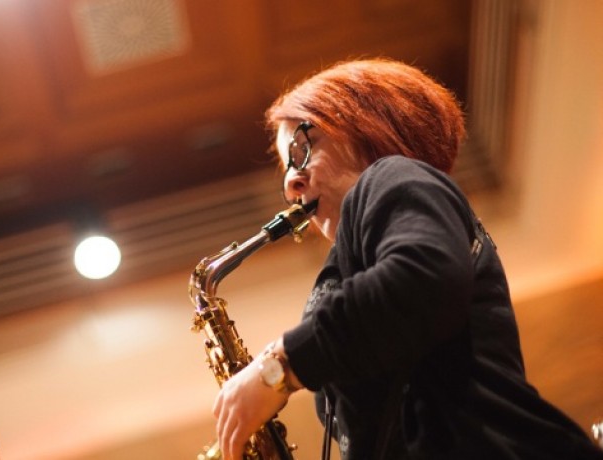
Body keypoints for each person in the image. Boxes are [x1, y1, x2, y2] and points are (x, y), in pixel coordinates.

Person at [212, 58, 602, 460]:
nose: (291, 185)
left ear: (362, 120)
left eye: (300, 150)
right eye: (285, 170)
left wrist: (279, 368)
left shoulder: (392, 175)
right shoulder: (351, 263)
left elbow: (422, 279)